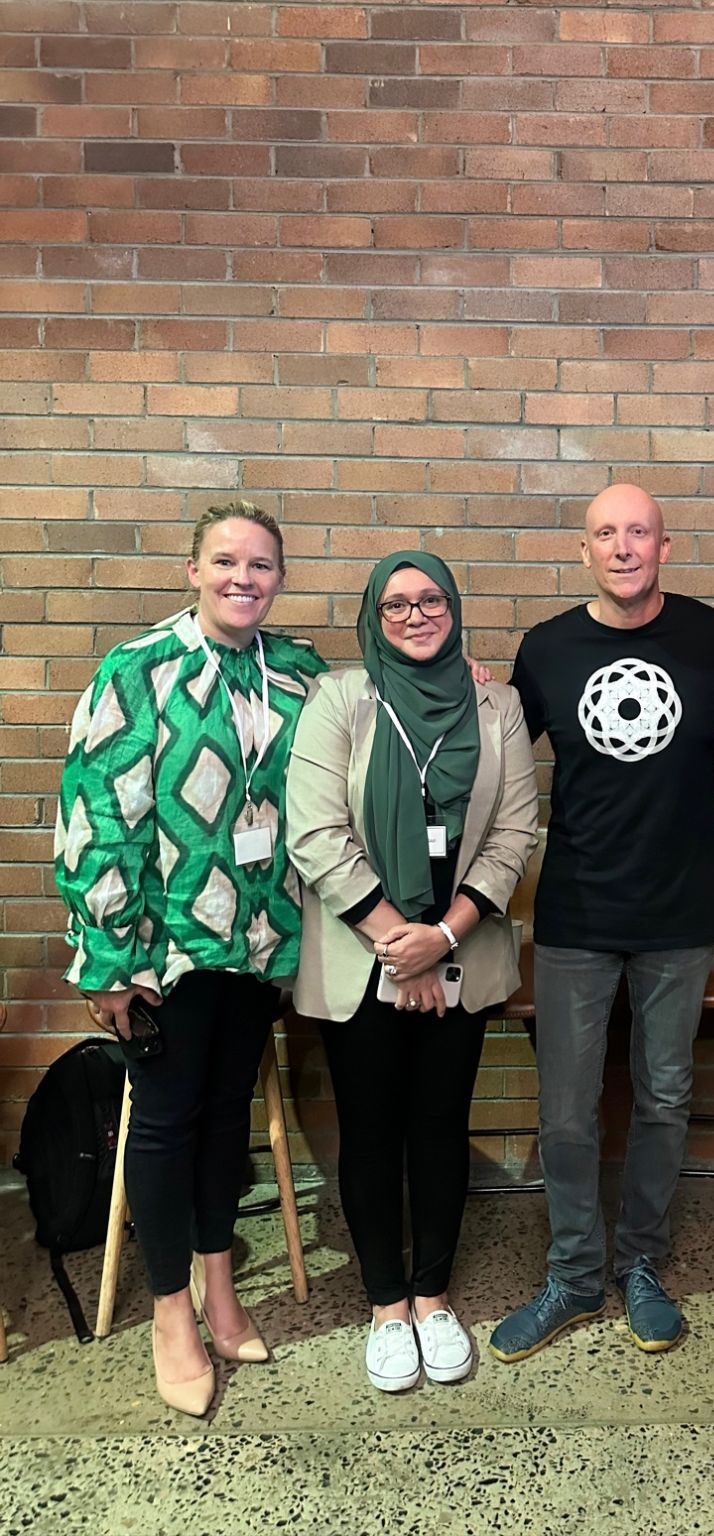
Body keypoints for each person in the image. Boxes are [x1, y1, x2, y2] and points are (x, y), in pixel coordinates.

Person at [54, 501, 326, 1417]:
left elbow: (372, 728)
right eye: (226, 561)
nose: (243, 578)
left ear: (279, 578)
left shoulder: (299, 674)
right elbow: (98, 815)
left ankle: (219, 1286)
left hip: (259, 943)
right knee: (168, 1126)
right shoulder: (138, 670)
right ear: (193, 569)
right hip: (163, 951)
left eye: (261, 565)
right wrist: (107, 957)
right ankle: (171, 1312)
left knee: (224, 1119)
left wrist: (468, 675)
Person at [489, 484, 714, 1362]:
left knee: (666, 1095)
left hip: (680, 909)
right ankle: (575, 1275)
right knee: (567, 1109)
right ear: (584, 552)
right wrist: (464, 693)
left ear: (664, 546)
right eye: (605, 534)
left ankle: (641, 1261)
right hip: (577, 908)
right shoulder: (548, 648)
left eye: (637, 532)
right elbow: (494, 749)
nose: (622, 547)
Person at [285, 552, 537, 1394]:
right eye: (396, 604)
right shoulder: (339, 700)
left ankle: (432, 1297)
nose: (416, 615)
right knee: (369, 1131)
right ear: (374, 616)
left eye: (431, 600)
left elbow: (514, 833)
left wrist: (446, 934)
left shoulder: (498, 705)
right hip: (362, 959)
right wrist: (403, 943)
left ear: (454, 608)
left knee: (439, 1126)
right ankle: (386, 1306)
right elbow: (314, 832)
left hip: (462, 953)